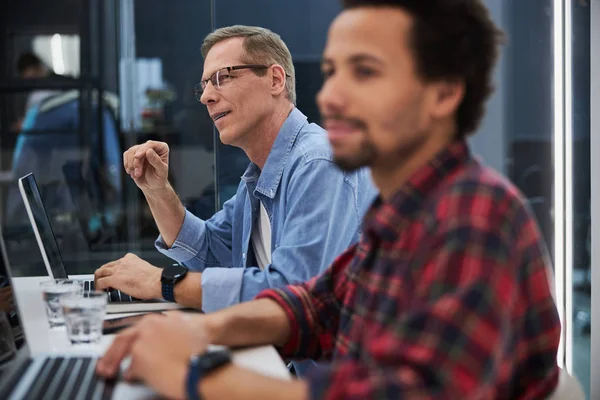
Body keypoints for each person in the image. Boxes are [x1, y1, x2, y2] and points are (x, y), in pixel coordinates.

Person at [96, 1, 561, 399]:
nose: (332, 94)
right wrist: (199, 330)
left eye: (365, 71)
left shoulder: (474, 220)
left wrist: (193, 373)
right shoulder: (402, 214)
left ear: (443, 93)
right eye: (334, 71)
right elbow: (313, 305)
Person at [93, 27, 376, 314]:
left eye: (223, 77)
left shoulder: (318, 163)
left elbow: (294, 293)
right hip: (278, 352)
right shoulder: (259, 176)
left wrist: (161, 281)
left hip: (321, 360)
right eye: (204, 86)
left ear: (275, 80)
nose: (206, 97)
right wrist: (156, 191)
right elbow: (208, 252)